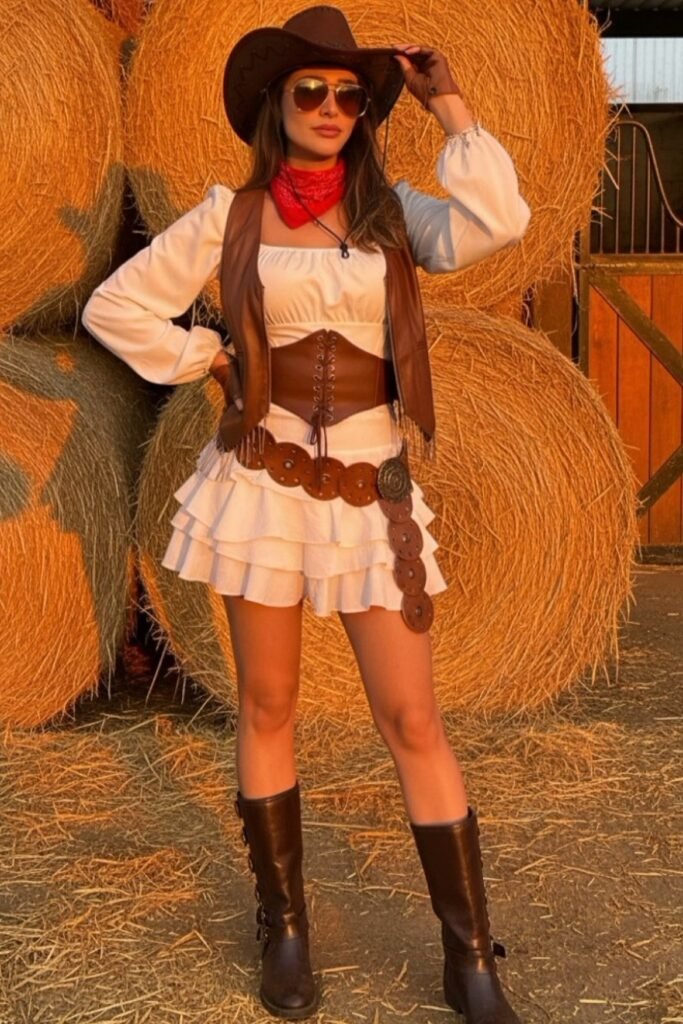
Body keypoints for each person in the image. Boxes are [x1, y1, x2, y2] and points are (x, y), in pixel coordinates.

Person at [82, 6, 531, 1021]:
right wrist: (204, 356)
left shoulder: (400, 216)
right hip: (264, 487)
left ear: (364, 110)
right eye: (308, 92)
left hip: (371, 492)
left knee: (411, 716)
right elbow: (118, 307)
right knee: (269, 708)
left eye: (345, 94)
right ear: (277, 106)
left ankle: (469, 957)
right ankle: (282, 927)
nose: (329, 108)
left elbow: (498, 219)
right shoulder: (226, 217)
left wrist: (448, 101)